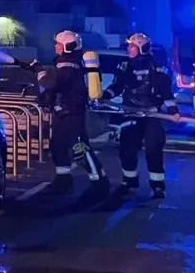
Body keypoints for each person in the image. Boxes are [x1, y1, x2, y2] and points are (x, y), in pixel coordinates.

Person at [39, 30, 110, 195]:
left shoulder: (69, 65)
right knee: (57, 146)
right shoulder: (66, 63)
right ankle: (63, 180)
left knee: (80, 149)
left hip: (71, 113)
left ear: (67, 46)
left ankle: (99, 181)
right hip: (63, 113)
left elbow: (53, 84)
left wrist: (39, 73)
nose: (56, 47)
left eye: (58, 44)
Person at [111, 32, 176, 198]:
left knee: (154, 149)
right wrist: (105, 95)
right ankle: (129, 181)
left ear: (142, 48)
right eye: (129, 46)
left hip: (152, 115)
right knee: (127, 148)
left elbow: (166, 91)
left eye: (132, 46)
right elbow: (117, 86)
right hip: (131, 113)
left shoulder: (156, 67)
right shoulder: (124, 66)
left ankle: (157, 186)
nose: (129, 49)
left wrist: (173, 111)